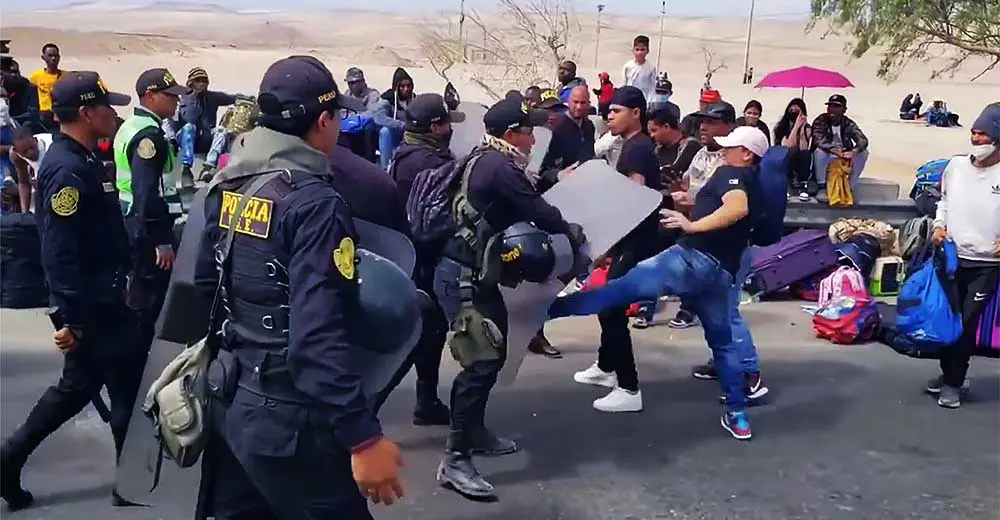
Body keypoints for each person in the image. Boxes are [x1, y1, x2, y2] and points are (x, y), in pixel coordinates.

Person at [192, 55, 405, 519]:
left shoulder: (231, 184)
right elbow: (315, 337)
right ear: (324, 121)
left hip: (231, 402)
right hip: (288, 420)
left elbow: (205, 287)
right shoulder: (314, 203)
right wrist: (363, 436)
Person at [552, 125, 772, 440]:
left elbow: (737, 207)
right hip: (722, 274)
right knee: (723, 345)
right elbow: (737, 212)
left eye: (729, 148)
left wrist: (692, 226)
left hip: (690, 259)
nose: (723, 152)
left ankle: (548, 311)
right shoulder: (756, 182)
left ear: (746, 154)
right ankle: (737, 415)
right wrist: (691, 198)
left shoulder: (730, 174)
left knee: (616, 292)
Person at [0, 71, 143, 510]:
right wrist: (71, 318)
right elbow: (58, 252)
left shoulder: (81, 160)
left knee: (115, 389)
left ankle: (130, 482)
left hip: (105, 301)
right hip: (92, 306)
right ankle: (9, 462)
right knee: (96, 389)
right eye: (105, 105)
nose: (112, 112)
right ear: (86, 113)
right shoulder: (67, 169)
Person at [434, 96, 583, 499]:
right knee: (481, 365)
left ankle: (475, 432)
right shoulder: (500, 166)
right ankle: (455, 460)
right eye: (528, 131)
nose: (534, 138)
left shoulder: (483, 157)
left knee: (491, 356)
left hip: (469, 274)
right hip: (463, 278)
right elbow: (540, 211)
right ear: (510, 134)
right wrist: (572, 233)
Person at [571, 86, 666, 412]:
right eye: (608, 111)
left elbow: (634, 202)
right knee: (606, 305)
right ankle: (606, 367)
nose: (609, 116)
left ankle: (628, 387)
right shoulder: (635, 146)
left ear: (635, 113)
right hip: (632, 241)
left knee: (611, 308)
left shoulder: (635, 150)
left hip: (635, 242)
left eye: (616, 111)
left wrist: (606, 239)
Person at [381, 92, 465, 423]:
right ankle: (366, 412)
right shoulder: (427, 163)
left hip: (413, 255)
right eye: (446, 123)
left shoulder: (408, 154)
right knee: (416, 337)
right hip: (422, 258)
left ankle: (426, 401)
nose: (450, 129)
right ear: (434, 126)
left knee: (429, 334)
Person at [926, 102, 1000, 408]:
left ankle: (953, 383)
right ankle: (950, 373)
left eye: (982, 134)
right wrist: (939, 225)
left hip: (987, 263)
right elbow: (944, 200)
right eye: (973, 132)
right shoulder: (955, 166)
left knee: (966, 323)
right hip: (953, 256)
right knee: (949, 319)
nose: (975, 139)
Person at [114, 68, 189, 353]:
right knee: (149, 299)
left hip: (133, 219)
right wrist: (161, 240)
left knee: (142, 292)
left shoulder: (132, 125)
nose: (176, 101)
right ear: (151, 96)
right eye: (170, 96)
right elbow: (147, 191)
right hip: (146, 227)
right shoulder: (148, 136)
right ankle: (137, 357)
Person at [668, 100, 736, 331]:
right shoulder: (699, 154)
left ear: (728, 126)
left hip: (717, 223)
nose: (703, 127)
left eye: (711, 122)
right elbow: (687, 182)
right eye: (702, 122)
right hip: (692, 219)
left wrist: (695, 199)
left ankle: (690, 308)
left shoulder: (731, 158)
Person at [176, 67, 239, 184]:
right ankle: (186, 169)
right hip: (186, 138)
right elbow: (182, 120)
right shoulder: (182, 98)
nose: (201, 84)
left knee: (221, 130)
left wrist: (245, 98)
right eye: (198, 80)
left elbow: (232, 98)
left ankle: (208, 167)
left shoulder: (212, 97)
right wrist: (194, 97)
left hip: (206, 137)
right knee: (189, 127)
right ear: (191, 83)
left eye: (204, 81)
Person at [538, 85, 595, 192]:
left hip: (582, 187)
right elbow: (540, 170)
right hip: (557, 189)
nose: (579, 107)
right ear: (568, 102)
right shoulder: (555, 127)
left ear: (588, 104)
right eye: (575, 102)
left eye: (583, 103)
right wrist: (559, 175)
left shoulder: (589, 126)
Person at [812, 94, 869, 191]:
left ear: (844, 110)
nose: (832, 109)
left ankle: (850, 186)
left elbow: (862, 139)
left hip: (844, 155)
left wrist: (854, 151)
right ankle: (822, 186)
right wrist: (834, 150)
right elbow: (818, 139)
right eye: (830, 106)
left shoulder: (848, 123)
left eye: (836, 106)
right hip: (828, 154)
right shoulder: (821, 120)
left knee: (864, 153)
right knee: (819, 152)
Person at [372, 67, 415, 169]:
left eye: (408, 86)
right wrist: (401, 125)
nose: (406, 89)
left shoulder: (415, 100)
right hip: (394, 134)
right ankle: (386, 168)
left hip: (410, 133)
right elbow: (379, 118)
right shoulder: (387, 99)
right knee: (385, 131)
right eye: (402, 86)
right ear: (396, 87)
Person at [773, 98, 812, 199]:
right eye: (792, 110)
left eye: (797, 111)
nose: (794, 112)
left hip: (800, 161)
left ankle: (803, 185)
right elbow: (788, 146)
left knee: (805, 154)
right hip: (783, 158)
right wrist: (796, 127)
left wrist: (802, 129)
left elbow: (804, 147)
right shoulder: (781, 127)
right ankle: (785, 185)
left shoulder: (807, 128)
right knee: (791, 151)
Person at [9, 127, 53, 212]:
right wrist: (24, 213)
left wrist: (42, 184)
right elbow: (23, 182)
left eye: (32, 147)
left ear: (35, 139)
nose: (31, 153)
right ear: (16, 150)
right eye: (25, 151)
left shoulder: (51, 146)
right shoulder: (15, 155)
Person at [28, 43, 62, 131]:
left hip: (59, 115)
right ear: (43, 57)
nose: (53, 58)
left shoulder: (65, 77)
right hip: (42, 115)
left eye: (56, 56)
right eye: (50, 56)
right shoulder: (36, 77)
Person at [622, 35, 657, 101]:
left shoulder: (651, 68)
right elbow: (624, 84)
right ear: (633, 50)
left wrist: (649, 102)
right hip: (629, 99)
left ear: (647, 51)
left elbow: (652, 87)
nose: (640, 52)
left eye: (642, 50)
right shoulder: (627, 66)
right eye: (637, 49)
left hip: (643, 100)